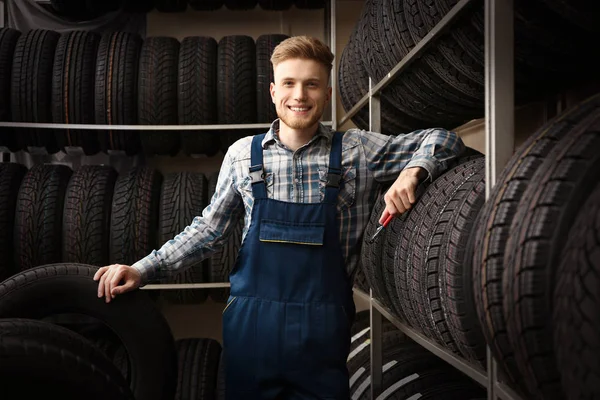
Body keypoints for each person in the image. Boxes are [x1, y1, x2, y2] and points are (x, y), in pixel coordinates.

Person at [94, 36, 465, 399]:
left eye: (312, 84)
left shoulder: (358, 150)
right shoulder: (243, 155)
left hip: (322, 334)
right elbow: (209, 229)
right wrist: (143, 269)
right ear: (273, 91)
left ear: (328, 95)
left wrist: (415, 170)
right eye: (289, 83)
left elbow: (444, 139)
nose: (300, 95)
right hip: (251, 332)